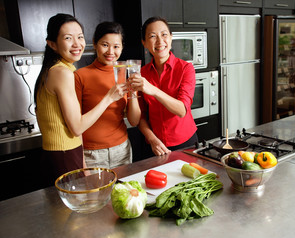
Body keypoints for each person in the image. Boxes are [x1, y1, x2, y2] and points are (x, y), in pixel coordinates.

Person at [34, 14, 123, 178]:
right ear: (52, 44)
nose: (77, 44)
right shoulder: (62, 73)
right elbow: (77, 127)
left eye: (80, 37)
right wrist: (109, 98)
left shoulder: (55, 69)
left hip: (62, 152)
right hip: (64, 154)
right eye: (68, 38)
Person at [74, 22, 141, 168]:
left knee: (124, 190)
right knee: (96, 192)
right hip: (91, 154)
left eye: (116, 46)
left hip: (121, 150)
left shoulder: (126, 73)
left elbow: (134, 121)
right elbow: (75, 124)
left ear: (122, 47)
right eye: (105, 45)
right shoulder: (80, 76)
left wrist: (133, 93)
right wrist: (82, 163)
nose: (111, 51)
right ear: (94, 43)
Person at [129, 16, 198, 156]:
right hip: (154, 145)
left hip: (186, 143)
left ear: (171, 38)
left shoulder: (186, 68)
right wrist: (152, 139)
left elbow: (182, 110)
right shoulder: (141, 73)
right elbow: (141, 116)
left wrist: (153, 90)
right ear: (144, 43)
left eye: (164, 34)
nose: (160, 41)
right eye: (153, 36)